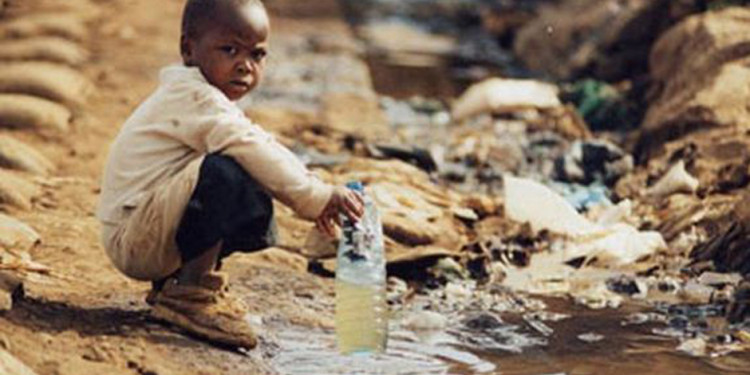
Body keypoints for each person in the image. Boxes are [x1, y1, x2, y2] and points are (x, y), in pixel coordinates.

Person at [96, 0, 363, 349]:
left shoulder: (205, 96)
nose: (245, 66)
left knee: (248, 170)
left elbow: (257, 144)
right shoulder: (191, 96)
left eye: (257, 55)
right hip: (133, 238)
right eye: (230, 50)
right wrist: (318, 197)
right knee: (227, 171)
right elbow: (249, 143)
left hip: (148, 229)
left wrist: (313, 185)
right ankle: (190, 295)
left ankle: (176, 285)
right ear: (188, 49)